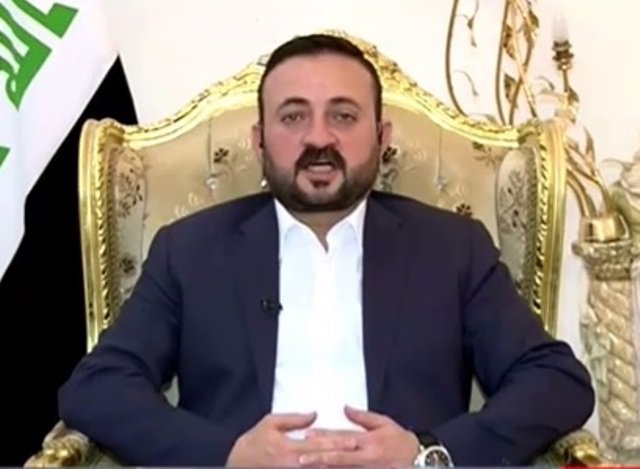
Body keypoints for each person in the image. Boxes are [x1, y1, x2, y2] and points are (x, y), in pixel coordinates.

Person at [58, 33, 595, 467]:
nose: (319, 138)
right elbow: (98, 387)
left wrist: (428, 453)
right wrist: (227, 455)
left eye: (343, 116)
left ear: (382, 136)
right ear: (259, 140)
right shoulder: (190, 249)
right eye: (293, 116)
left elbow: (555, 382)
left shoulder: (453, 247)